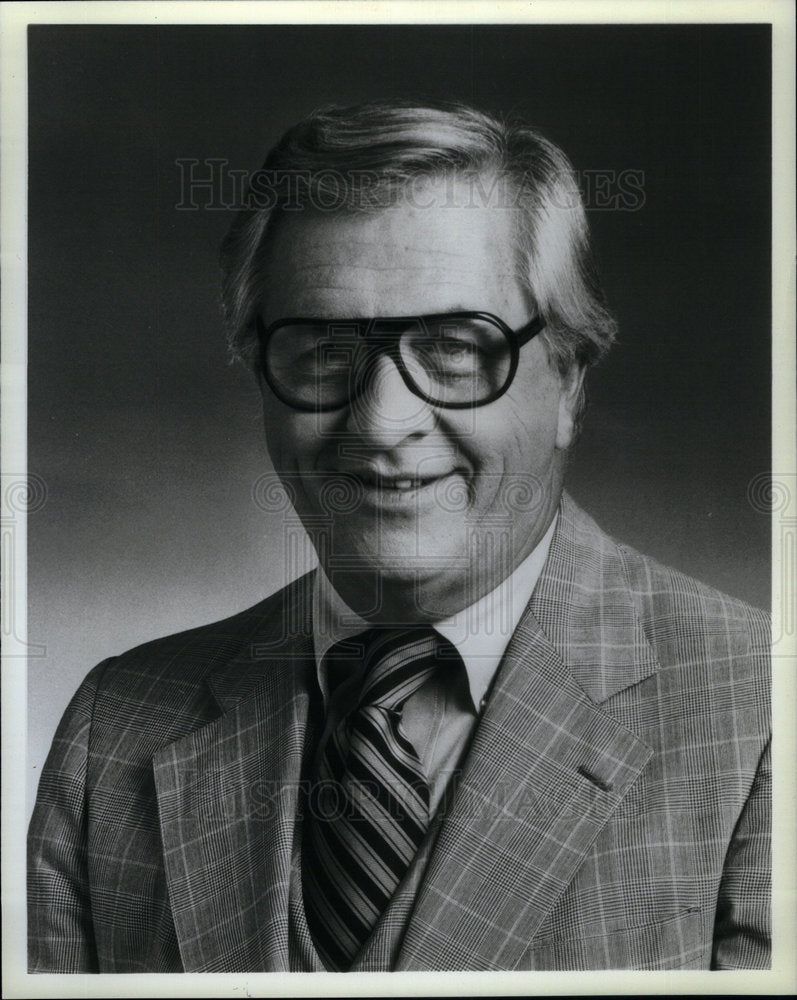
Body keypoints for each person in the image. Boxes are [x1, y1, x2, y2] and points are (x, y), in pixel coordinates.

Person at [28, 100, 770, 973]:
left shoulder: (758, 715)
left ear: (566, 381)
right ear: (259, 374)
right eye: (323, 351)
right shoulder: (113, 729)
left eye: (456, 347)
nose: (381, 424)